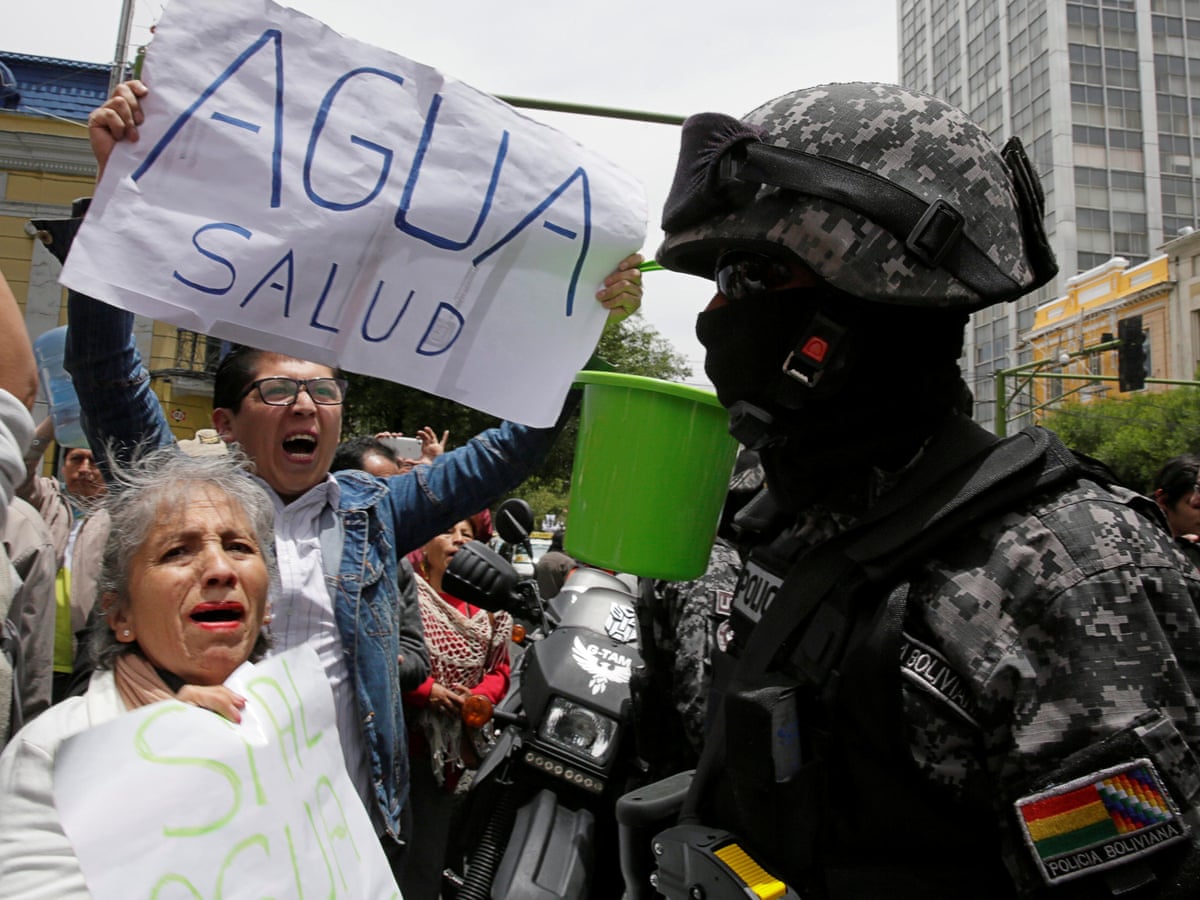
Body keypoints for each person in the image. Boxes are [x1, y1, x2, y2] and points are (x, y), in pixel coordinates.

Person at [68, 78, 644, 871]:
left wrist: (577, 329)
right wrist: (112, 206)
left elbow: (504, 453)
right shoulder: (181, 507)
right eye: (278, 390)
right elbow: (106, 373)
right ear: (229, 424)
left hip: (346, 834)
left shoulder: (373, 513)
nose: (306, 404)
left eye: (323, 390)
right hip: (198, 835)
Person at [644, 82, 1200, 898]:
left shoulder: (1063, 571)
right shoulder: (795, 523)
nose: (717, 315)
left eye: (754, 275)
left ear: (874, 293)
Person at [0, 448, 277, 895]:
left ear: (268, 606)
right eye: (177, 552)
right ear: (119, 614)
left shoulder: (301, 730)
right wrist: (155, 756)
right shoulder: (55, 753)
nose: (221, 569)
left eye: (239, 547)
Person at [401, 511, 513, 900]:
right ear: (424, 548)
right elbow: (387, 657)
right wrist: (427, 691)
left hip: (457, 755)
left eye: (468, 533)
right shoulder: (407, 594)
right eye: (447, 531)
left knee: (435, 850)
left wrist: (480, 698)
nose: (459, 540)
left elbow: (500, 669)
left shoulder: (492, 612)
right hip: (404, 741)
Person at [18, 429, 108, 702]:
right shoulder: (47, 499)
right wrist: (48, 429)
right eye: (76, 459)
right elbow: (20, 471)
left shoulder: (118, 511)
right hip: (35, 653)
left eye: (94, 462)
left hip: (89, 658)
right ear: (63, 465)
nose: (84, 469)